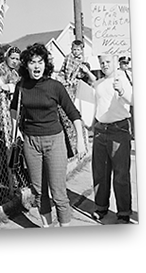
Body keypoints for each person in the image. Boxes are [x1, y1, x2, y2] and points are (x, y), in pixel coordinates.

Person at [10, 43, 86, 228]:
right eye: (32, 62)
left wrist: (81, 142)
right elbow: (14, 109)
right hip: (31, 142)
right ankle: (46, 226)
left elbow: (74, 114)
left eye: (40, 62)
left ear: (46, 64)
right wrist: (15, 133)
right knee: (38, 191)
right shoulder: (21, 86)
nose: (36, 66)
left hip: (54, 141)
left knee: (58, 192)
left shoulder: (55, 86)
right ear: (26, 65)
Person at [91, 54, 133, 224]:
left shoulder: (122, 78)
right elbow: (96, 106)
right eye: (102, 62)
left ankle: (123, 211)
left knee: (121, 174)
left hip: (119, 129)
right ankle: (101, 207)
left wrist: (121, 91)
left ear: (115, 61)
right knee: (100, 172)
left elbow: (131, 100)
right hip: (100, 130)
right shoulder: (98, 83)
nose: (104, 65)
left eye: (108, 62)